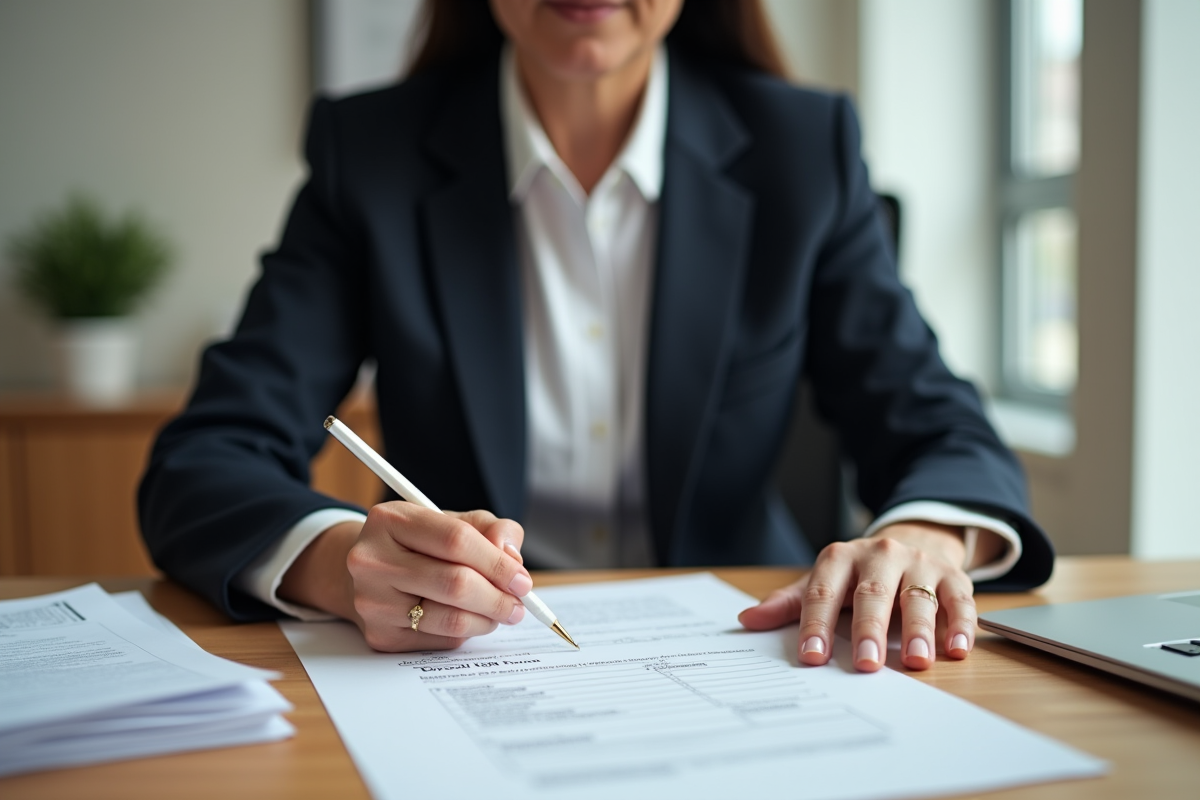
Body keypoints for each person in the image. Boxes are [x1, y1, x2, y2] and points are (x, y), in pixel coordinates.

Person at [139, 0, 1053, 673]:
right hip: (464, 665)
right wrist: (339, 565)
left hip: (750, 651)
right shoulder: (369, 154)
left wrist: (927, 537)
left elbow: (941, 428)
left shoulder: (802, 149)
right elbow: (206, 457)